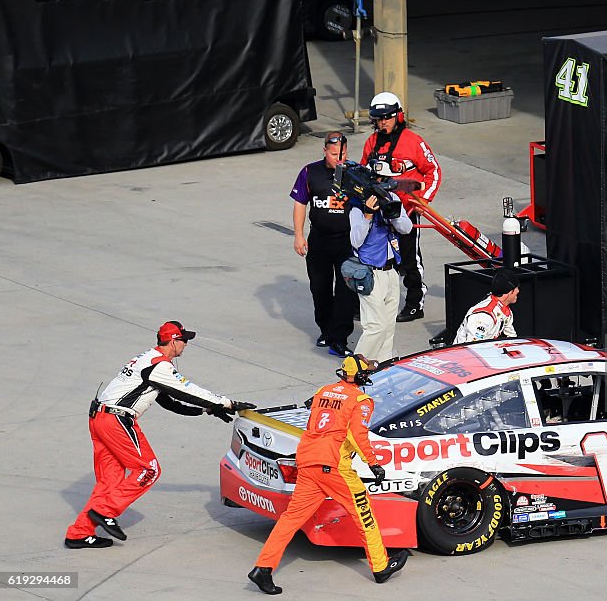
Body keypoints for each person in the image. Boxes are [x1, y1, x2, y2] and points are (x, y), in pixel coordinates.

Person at [64, 321, 255, 549]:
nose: (186, 345)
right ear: (173, 341)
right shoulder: (159, 366)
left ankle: (79, 533)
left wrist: (207, 409)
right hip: (117, 420)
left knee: (110, 481)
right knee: (148, 469)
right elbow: (188, 390)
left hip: (99, 418)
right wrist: (227, 403)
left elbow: (170, 402)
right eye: (184, 340)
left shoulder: (146, 359)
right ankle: (104, 511)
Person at [248, 355, 409, 594]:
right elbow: (357, 435)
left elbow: (313, 418)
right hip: (334, 467)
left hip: (307, 461)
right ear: (362, 377)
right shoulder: (361, 400)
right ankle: (380, 566)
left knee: (290, 519)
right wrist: (373, 463)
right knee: (364, 512)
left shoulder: (324, 390)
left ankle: (263, 568)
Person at [361, 92, 442, 323]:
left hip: (406, 213)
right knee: (375, 259)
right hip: (378, 213)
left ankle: (415, 302)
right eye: (378, 118)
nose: (382, 122)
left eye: (387, 117)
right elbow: (364, 172)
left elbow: (434, 171)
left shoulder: (413, 141)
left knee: (409, 261)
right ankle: (373, 300)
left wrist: (423, 200)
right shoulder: (371, 142)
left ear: (398, 116)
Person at [290, 131, 357, 357]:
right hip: (319, 240)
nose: (339, 159)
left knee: (347, 291)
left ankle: (339, 338)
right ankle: (326, 330)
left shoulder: (355, 174)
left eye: (343, 153)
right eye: (334, 154)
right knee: (320, 289)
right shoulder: (310, 172)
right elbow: (300, 204)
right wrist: (298, 235)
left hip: (347, 242)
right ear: (325, 151)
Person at [348, 188, 413, 364]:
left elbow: (407, 228)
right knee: (375, 326)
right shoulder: (357, 206)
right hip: (369, 272)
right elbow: (355, 240)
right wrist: (368, 216)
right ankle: (356, 368)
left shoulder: (392, 198)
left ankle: (384, 364)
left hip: (391, 271)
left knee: (389, 324)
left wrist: (393, 214)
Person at [453, 269, 520, 344]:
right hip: (465, 354)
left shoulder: (505, 310)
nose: (518, 291)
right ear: (510, 291)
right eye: (516, 288)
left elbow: (512, 338)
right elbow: (473, 347)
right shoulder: (484, 316)